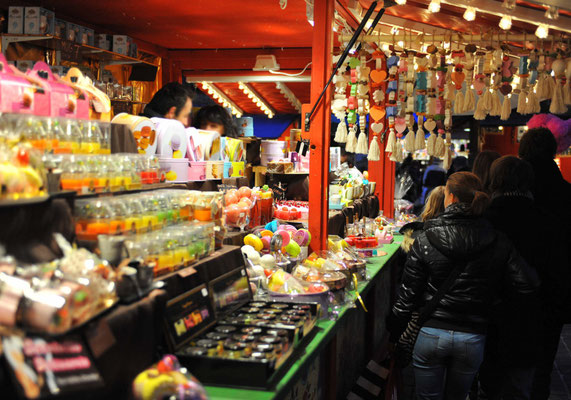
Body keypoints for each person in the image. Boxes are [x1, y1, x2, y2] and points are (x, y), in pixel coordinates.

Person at [387, 171, 539, 400]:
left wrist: (393, 332)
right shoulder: (498, 239)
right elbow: (528, 284)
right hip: (472, 336)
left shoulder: (425, 238)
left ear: (451, 198)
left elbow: (406, 298)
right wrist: (493, 303)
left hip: (430, 332)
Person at [479, 156, 569, 400]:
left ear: (494, 181)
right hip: (534, 319)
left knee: (489, 386)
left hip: (488, 319)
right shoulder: (548, 222)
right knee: (528, 385)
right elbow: (559, 276)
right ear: (528, 183)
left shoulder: (483, 220)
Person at [518, 128, 571, 400]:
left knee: (511, 355)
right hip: (555, 284)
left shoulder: (516, 189)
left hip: (515, 286)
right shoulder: (565, 192)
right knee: (545, 358)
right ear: (553, 151)